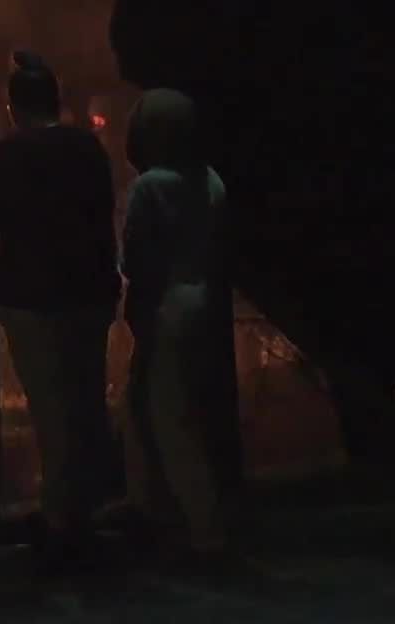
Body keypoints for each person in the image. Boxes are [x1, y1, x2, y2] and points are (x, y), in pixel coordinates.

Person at [0, 52, 121, 568]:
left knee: (51, 407)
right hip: (88, 292)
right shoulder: (86, 148)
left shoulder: (15, 154)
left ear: (14, 107)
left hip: (34, 298)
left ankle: (64, 523)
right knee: (85, 398)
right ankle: (88, 506)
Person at [120, 88, 240, 562]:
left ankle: (202, 533)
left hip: (165, 309)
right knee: (148, 406)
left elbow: (134, 258)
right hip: (202, 302)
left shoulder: (149, 187)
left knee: (171, 420)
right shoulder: (210, 181)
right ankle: (147, 506)